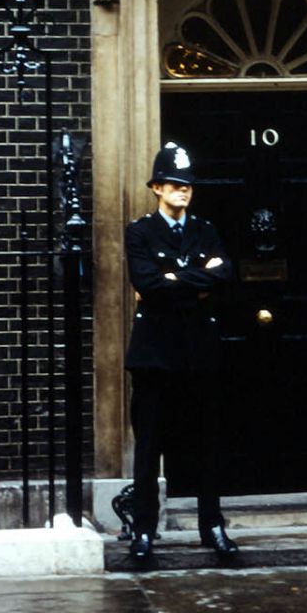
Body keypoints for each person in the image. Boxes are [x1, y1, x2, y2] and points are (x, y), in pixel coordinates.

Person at [123, 141, 239, 568]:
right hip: (155, 355)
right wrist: (197, 279)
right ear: (156, 187)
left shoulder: (205, 229)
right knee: (149, 446)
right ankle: (144, 531)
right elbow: (147, 284)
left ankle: (213, 526)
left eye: (187, 186)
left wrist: (174, 278)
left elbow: (225, 273)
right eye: (174, 184)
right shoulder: (140, 231)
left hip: (200, 353)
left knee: (208, 443)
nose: (183, 191)